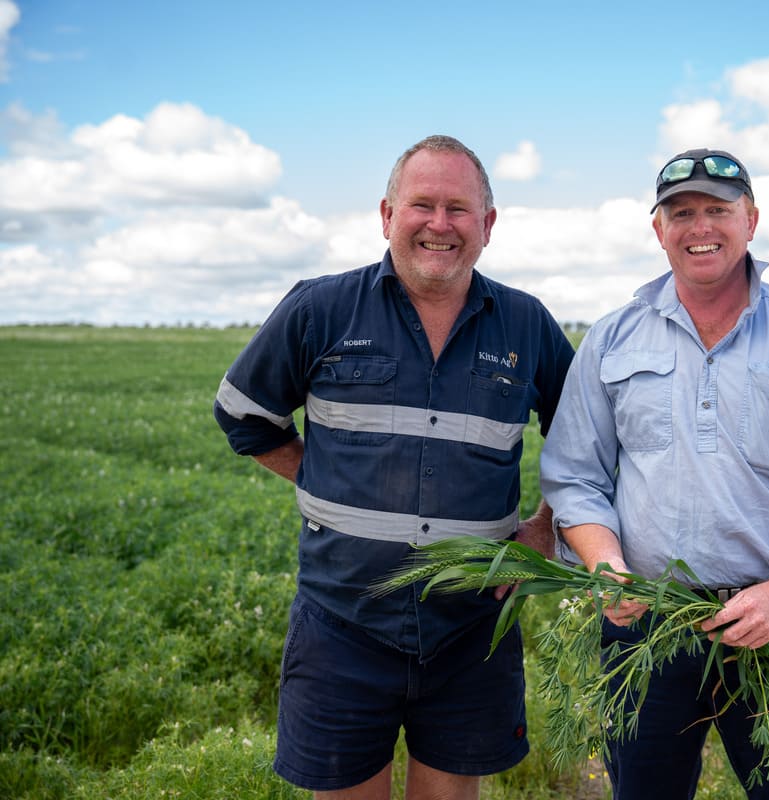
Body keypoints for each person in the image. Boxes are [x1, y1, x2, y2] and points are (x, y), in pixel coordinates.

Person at [214, 135, 575, 800]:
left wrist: (545, 525)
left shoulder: (525, 326)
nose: (440, 225)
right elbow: (243, 414)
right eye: (423, 205)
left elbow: (582, 436)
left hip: (470, 628)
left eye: (459, 209)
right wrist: (321, 477)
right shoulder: (320, 310)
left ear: (487, 226)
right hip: (342, 623)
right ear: (387, 215)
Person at [539, 148, 769, 800]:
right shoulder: (614, 338)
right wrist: (606, 567)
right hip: (646, 624)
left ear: (750, 219)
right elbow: (573, 476)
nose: (700, 227)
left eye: (717, 211)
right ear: (658, 230)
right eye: (681, 213)